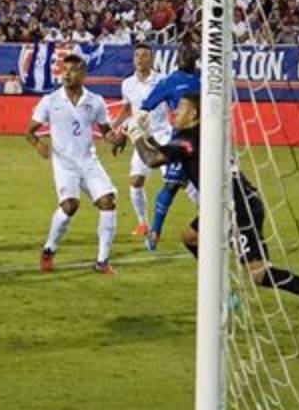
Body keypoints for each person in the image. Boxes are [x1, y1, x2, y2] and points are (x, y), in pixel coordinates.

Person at [127, 94, 299, 330]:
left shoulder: (189, 140)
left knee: (259, 274)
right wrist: (147, 135)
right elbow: (164, 152)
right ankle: (224, 293)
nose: (175, 113)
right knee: (191, 237)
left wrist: (135, 134)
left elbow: (152, 159)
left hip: (239, 209)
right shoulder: (201, 135)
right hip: (226, 205)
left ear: (193, 114)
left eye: (180, 109)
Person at [26, 54, 122, 275]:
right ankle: (49, 249)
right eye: (64, 69)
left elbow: (105, 131)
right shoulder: (50, 101)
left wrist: (115, 139)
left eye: (72, 70)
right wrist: (38, 144)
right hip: (64, 164)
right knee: (70, 205)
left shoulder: (95, 101)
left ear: (83, 73)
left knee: (108, 202)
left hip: (88, 162)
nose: (67, 74)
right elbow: (29, 132)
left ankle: (102, 261)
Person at [137, 41, 202, 250]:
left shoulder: (207, 78)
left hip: (208, 141)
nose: (183, 57)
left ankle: (219, 225)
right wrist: (140, 119)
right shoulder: (170, 82)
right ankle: (154, 232)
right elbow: (147, 105)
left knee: (211, 187)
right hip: (183, 141)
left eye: (187, 53)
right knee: (171, 184)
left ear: (195, 57)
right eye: (181, 53)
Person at [110, 43, 170, 237]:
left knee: (172, 179)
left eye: (145, 55)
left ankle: (204, 216)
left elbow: (173, 104)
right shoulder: (127, 84)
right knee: (135, 181)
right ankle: (143, 224)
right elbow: (128, 109)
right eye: (137, 55)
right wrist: (115, 128)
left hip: (162, 134)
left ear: (151, 58)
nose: (140, 59)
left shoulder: (162, 80)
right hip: (141, 137)